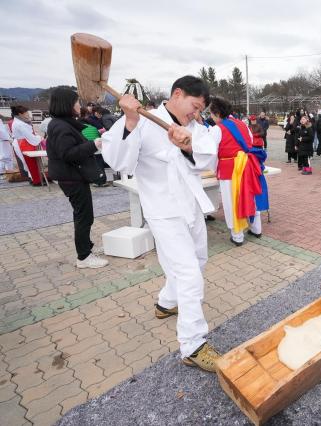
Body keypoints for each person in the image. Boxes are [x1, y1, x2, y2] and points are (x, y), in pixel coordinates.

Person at [102, 75, 221, 372]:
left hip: (191, 206)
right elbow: (118, 162)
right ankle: (192, 345)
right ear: (177, 94)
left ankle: (166, 303)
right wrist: (128, 121)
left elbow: (208, 160)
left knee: (199, 260)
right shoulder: (143, 119)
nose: (195, 114)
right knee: (189, 274)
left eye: (199, 110)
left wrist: (188, 146)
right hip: (163, 210)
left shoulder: (194, 127)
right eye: (193, 106)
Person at [46, 87, 109, 269]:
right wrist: (93, 145)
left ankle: (87, 249)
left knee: (84, 215)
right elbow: (67, 153)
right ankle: (83, 257)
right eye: (76, 102)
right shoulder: (60, 126)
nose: (78, 105)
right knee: (84, 216)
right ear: (67, 104)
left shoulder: (63, 123)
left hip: (73, 176)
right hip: (71, 178)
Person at [207, 97, 268, 246]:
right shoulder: (243, 124)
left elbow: (210, 153)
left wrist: (213, 168)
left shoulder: (217, 129)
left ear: (217, 113)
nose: (211, 117)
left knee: (232, 202)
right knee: (250, 196)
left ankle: (237, 235)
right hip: (248, 166)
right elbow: (249, 143)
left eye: (211, 114)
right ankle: (256, 229)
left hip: (229, 170)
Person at [11, 105, 44, 185]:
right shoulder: (20, 124)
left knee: (29, 162)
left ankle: (34, 178)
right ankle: (36, 180)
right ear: (20, 114)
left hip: (23, 142)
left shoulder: (20, 122)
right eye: (26, 112)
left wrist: (36, 136)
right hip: (24, 143)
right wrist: (39, 138)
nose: (27, 114)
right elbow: (29, 136)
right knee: (30, 162)